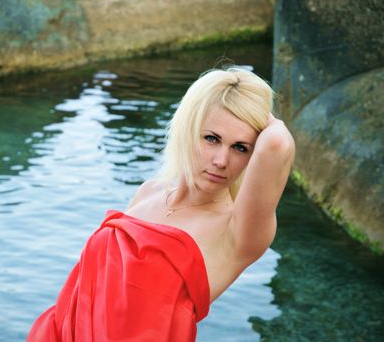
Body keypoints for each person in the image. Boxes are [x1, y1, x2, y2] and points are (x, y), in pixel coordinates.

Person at [27, 67, 295, 341]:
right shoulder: (149, 192)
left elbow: (278, 144)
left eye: (241, 147)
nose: (221, 160)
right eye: (211, 139)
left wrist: (256, 109)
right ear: (187, 131)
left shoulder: (237, 232)